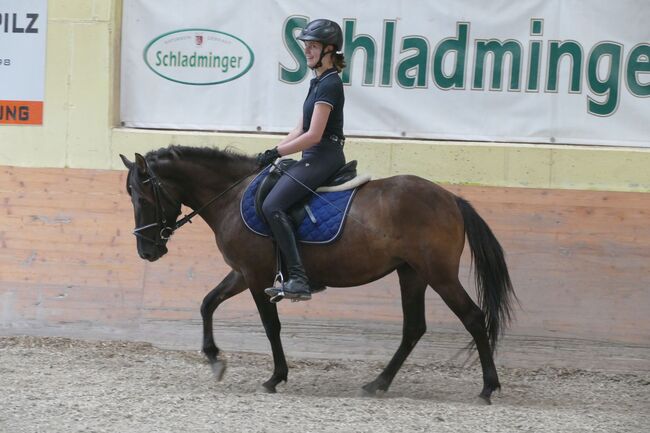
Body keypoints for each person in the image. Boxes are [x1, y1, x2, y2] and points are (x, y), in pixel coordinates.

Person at [256, 19, 347, 301]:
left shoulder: (331, 84)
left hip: (324, 156)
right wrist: (272, 150)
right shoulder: (317, 82)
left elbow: (314, 135)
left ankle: (298, 278)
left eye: (313, 46)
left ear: (329, 50)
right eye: (306, 45)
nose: (307, 50)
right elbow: (300, 129)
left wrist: (280, 153)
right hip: (312, 155)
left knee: (273, 205)